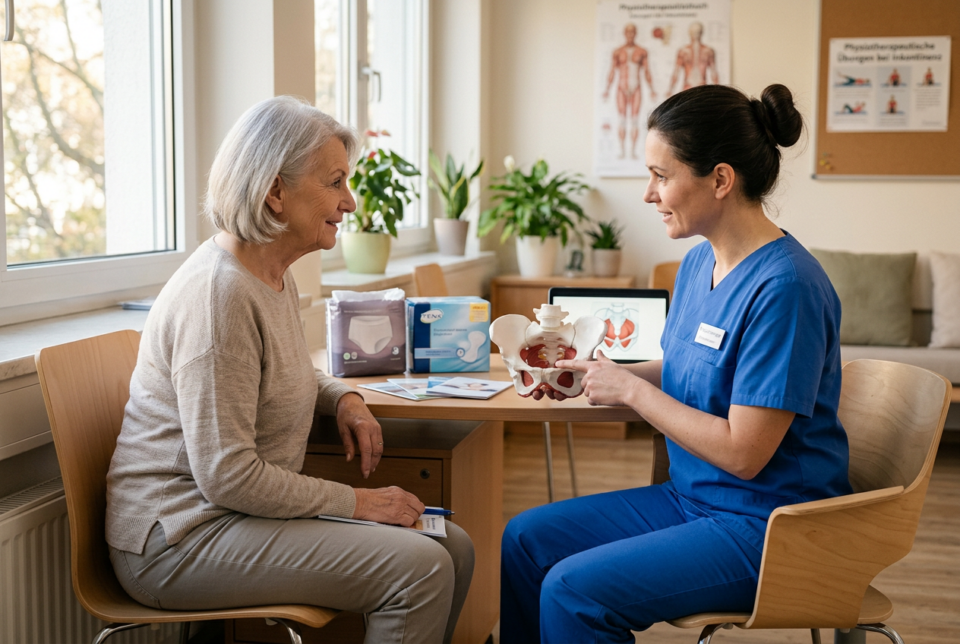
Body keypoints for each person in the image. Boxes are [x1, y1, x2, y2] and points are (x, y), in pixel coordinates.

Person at [105, 96, 474, 644]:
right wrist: (359, 502)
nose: (349, 202)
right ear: (275, 191)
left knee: (454, 546)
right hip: (179, 538)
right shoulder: (218, 298)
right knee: (418, 569)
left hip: (231, 517)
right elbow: (227, 474)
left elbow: (282, 372)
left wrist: (342, 398)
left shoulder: (270, 272)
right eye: (335, 182)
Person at [499, 84, 853, 643]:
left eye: (661, 176)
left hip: (769, 525)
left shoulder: (787, 288)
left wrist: (634, 393)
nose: (648, 193)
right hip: (692, 499)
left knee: (573, 590)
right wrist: (588, 378)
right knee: (525, 540)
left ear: (719, 179)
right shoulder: (696, 265)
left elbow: (744, 452)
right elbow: (689, 374)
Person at [603, 23, 656, 159]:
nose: (630, 34)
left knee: (634, 120)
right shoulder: (617, 52)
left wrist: (652, 89)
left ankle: (632, 151)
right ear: (624, 33)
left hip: (636, 88)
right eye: (628, 32)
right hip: (621, 87)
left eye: (633, 32)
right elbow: (612, 71)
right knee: (621, 120)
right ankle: (622, 150)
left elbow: (646, 71)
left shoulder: (642, 51)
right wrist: (607, 89)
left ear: (636, 33)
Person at [666, 22, 719, 96]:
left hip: (702, 86)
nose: (696, 34)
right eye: (694, 32)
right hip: (688, 86)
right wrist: (670, 90)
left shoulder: (708, 51)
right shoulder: (683, 51)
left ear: (701, 33)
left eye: (697, 32)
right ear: (690, 33)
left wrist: (718, 92)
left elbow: (714, 72)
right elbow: (676, 72)